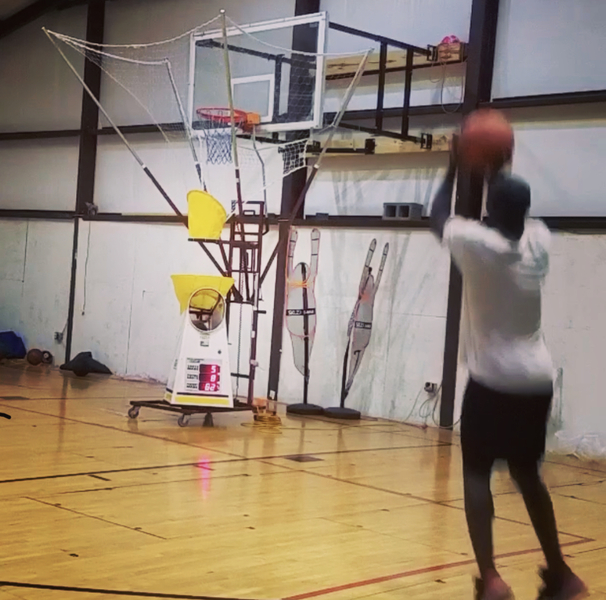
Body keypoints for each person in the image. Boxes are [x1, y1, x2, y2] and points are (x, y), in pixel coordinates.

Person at [430, 136, 588, 600]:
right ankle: (561, 574)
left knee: (476, 475)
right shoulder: (539, 239)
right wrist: (499, 162)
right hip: (536, 382)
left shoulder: (477, 244)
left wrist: (455, 166)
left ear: (489, 211)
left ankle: (493, 580)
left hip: (493, 382)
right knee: (527, 474)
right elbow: (509, 201)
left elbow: (437, 216)